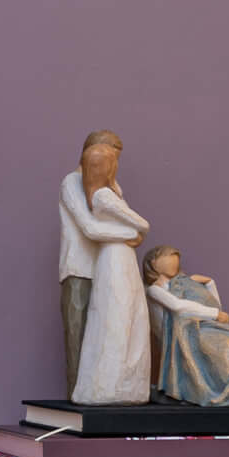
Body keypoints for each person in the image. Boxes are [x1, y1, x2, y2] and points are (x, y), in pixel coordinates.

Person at [59, 133, 152, 403]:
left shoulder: (108, 186)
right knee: (79, 336)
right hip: (79, 267)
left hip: (105, 265)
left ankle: (100, 393)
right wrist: (131, 234)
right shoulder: (72, 182)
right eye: (112, 155)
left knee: (109, 327)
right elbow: (90, 227)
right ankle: (77, 400)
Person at [144, 245, 229, 408]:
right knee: (224, 348)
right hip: (186, 333)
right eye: (167, 257)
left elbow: (215, 304)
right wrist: (214, 314)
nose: (174, 261)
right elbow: (178, 306)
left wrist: (210, 284)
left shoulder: (185, 283)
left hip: (206, 326)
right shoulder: (155, 290)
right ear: (154, 263)